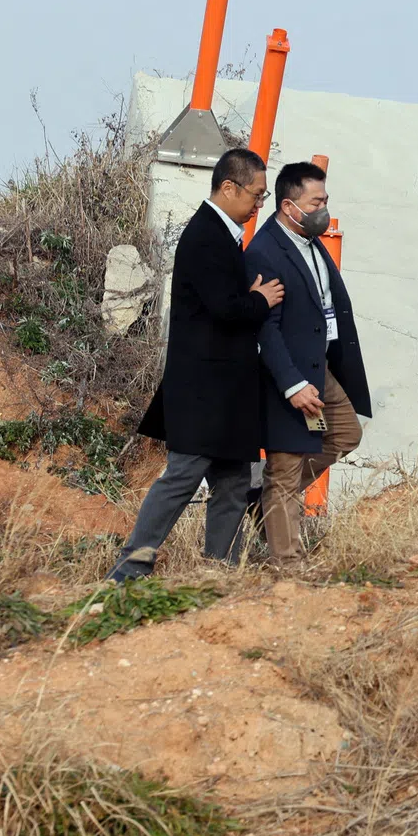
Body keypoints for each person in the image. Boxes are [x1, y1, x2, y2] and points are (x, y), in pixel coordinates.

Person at [106, 149, 284, 583]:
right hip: (205, 391)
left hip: (226, 393)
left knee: (233, 483)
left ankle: (219, 574)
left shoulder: (221, 234)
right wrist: (259, 300)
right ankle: (128, 570)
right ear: (229, 188)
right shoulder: (206, 236)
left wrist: (247, 297)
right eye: (257, 194)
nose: (260, 204)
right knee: (182, 478)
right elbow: (224, 308)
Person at [244, 161, 371, 564]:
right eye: (316, 202)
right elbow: (266, 329)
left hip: (320, 368)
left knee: (345, 433)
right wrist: (293, 385)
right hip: (287, 377)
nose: (323, 209)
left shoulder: (310, 242)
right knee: (284, 469)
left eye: (325, 200)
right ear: (288, 206)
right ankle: (289, 564)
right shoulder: (264, 252)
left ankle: (264, 501)